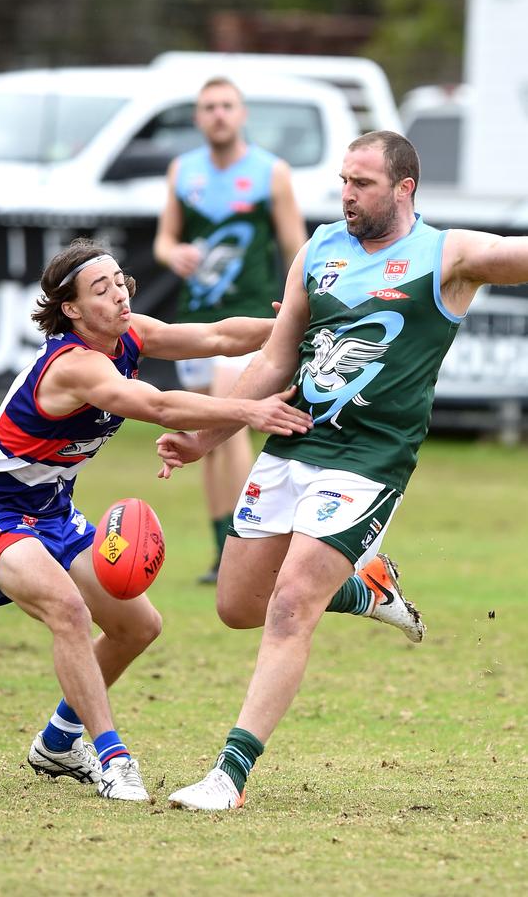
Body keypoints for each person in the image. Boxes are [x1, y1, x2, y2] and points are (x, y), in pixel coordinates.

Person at [157, 129, 528, 811]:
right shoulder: (320, 248)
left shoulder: (446, 255)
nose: (347, 195)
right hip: (295, 444)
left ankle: (228, 777)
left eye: (362, 184)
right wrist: (209, 434)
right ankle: (369, 589)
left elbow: (516, 255)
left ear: (404, 187)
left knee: (292, 602)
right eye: (344, 182)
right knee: (237, 605)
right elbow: (274, 359)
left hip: (371, 460)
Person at [0, 237, 314, 803]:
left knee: (139, 626)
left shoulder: (129, 333)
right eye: (102, 290)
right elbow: (160, 407)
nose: (119, 295)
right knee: (68, 611)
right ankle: (112, 758)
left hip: (53, 514)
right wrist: (250, 409)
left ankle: (59, 739)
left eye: (120, 281)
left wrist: (296, 325)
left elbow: (215, 336)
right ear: (71, 310)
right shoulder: (76, 367)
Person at [153, 76, 308, 584]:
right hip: (197, 320)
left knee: (227, 413)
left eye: (226, 106)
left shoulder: (271, 173)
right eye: (208, 107)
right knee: (207, 433)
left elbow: (296, 245)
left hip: (247, 321)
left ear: (241, 115)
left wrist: (296, 305)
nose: (218, 114)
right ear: (198, 118)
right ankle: (223, 551)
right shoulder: (184, 171)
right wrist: (172, 253)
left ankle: (245, 546)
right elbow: (164, 240)